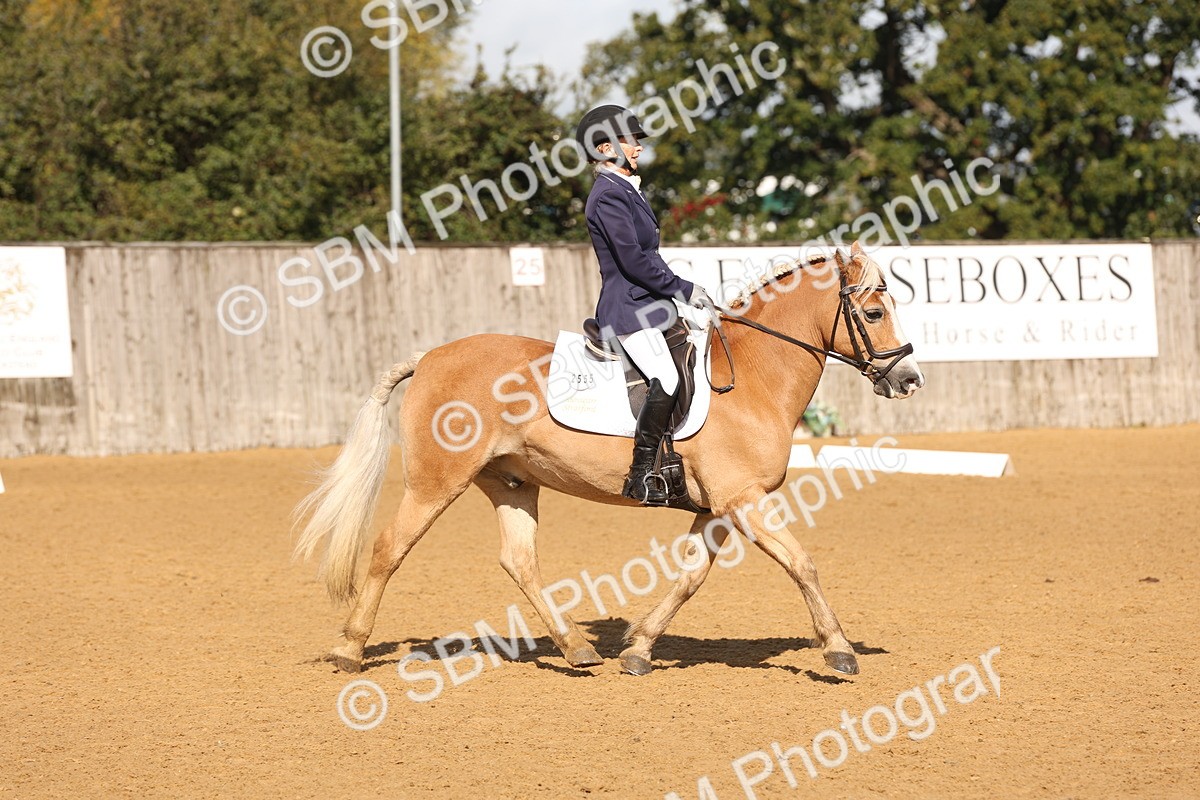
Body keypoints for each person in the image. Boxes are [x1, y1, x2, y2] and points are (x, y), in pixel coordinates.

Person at [575, 105, 714, 505]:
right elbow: (634, 261)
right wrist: (684, 289)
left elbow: (649, 258)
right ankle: (641, 474)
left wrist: (679, 296)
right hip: (627, 312)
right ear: (605, 148)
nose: (637, 148)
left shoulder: (626, 190)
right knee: (667, 380)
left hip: (650, 305)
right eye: (629, 140)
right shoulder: (607, 197)